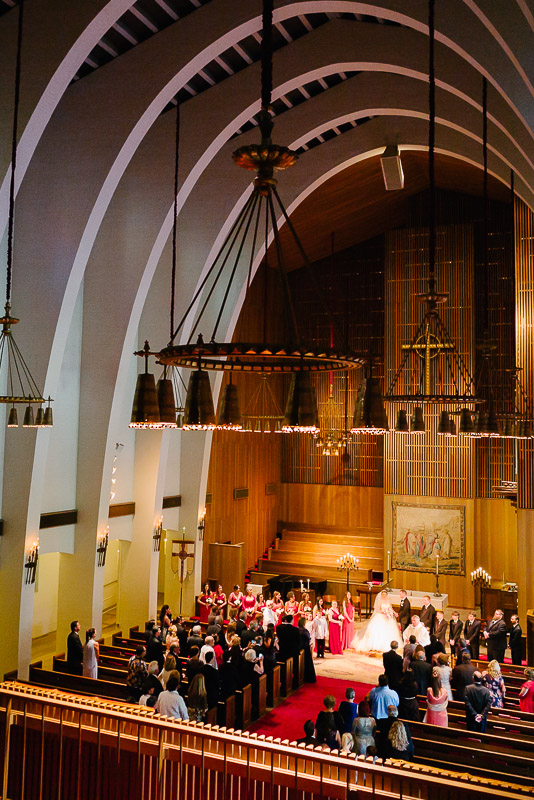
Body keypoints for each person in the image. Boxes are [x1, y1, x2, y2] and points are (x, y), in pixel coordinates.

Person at [297, 617, 316, 682]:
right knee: (307, 663)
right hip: (305, 648)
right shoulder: (305, 631)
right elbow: (308, 638)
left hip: (298, 647)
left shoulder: (296, 629)